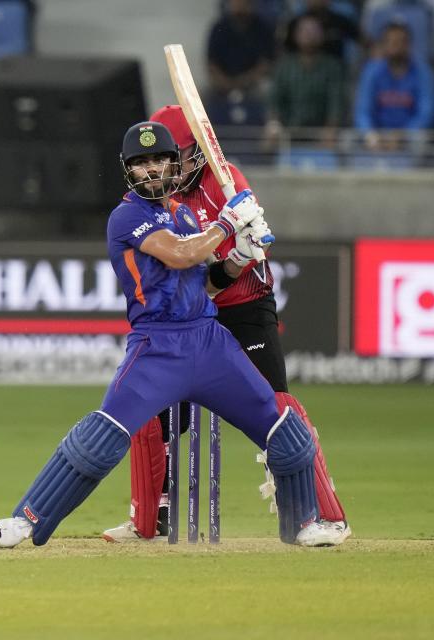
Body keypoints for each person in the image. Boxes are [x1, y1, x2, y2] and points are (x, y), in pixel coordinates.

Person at [0, 121, 339, 549]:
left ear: (175, 165)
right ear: (128, 171)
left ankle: (302, 524)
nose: (151, 170)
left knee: (284, 430)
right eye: (141, 163)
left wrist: (241, 256)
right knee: (101, 440)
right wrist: (227, 225)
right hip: (158, 348)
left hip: (210, 343)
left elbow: (205, 283)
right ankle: (27, 518)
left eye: (159, 160)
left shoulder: (185, 213)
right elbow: (179, 254)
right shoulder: (126, 216)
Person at [101, 105, 350, 546]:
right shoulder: (154, 204)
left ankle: (322, 514)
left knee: (277, 405)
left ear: (194, 153)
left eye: (172, 155)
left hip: (245, 306)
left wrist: (249, 246)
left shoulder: (224, 178)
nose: (160, 168)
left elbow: (233, 264)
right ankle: (149, 520)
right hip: (192, 315)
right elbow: (190, 267)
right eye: (154, 160)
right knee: (148, 416)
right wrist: (223, 239)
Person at [354, 22, 434, 151]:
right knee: (348, 140)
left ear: (409, 45)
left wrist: (403, 135)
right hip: (377, 134)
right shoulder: (372, 70)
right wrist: (371, 135)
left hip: (408, 136)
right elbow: (362, 111)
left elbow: (426, 113)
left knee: (421, 139)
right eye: (391, 42)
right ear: (384, 45)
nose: (395, 46)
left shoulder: (422, 72)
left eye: (400, 41)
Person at [267, 14, 345, 146]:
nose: (309, 35)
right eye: (305, 30)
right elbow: (274, 101)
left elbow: (336, 102)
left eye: (314, 30)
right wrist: (274, 125)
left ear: (322, 35)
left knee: (334, 140)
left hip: (322, 131)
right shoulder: (284, 66)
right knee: (269, 137)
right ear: (295, 35)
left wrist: (331, 128)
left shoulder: (333, 67)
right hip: (289, 129)